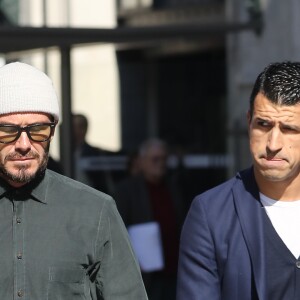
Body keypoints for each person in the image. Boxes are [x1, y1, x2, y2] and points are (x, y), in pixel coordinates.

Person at [0, 62, 147, 299]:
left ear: (53, 131)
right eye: (8, 130)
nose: (24, 144)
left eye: (38, 130)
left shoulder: (95, 210)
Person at [177, 61, 300, 300]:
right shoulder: (211, 214)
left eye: (289, 128)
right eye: (263, 125)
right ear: (248, 122)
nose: (273, 144)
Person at [114, 138, 187, 300]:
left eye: (164, 159)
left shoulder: (173, 187)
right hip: (144, 275)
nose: (161, 163)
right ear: (142, 161)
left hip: (173, 270)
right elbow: (116, 230)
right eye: (155, 159)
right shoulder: (127, 190)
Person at [72, 113, 114, 194]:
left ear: (85, 129)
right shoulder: (66, 153)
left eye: (80, 127)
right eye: (73, 127)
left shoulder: (94, 154)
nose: (76, 131)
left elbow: (102, 183)